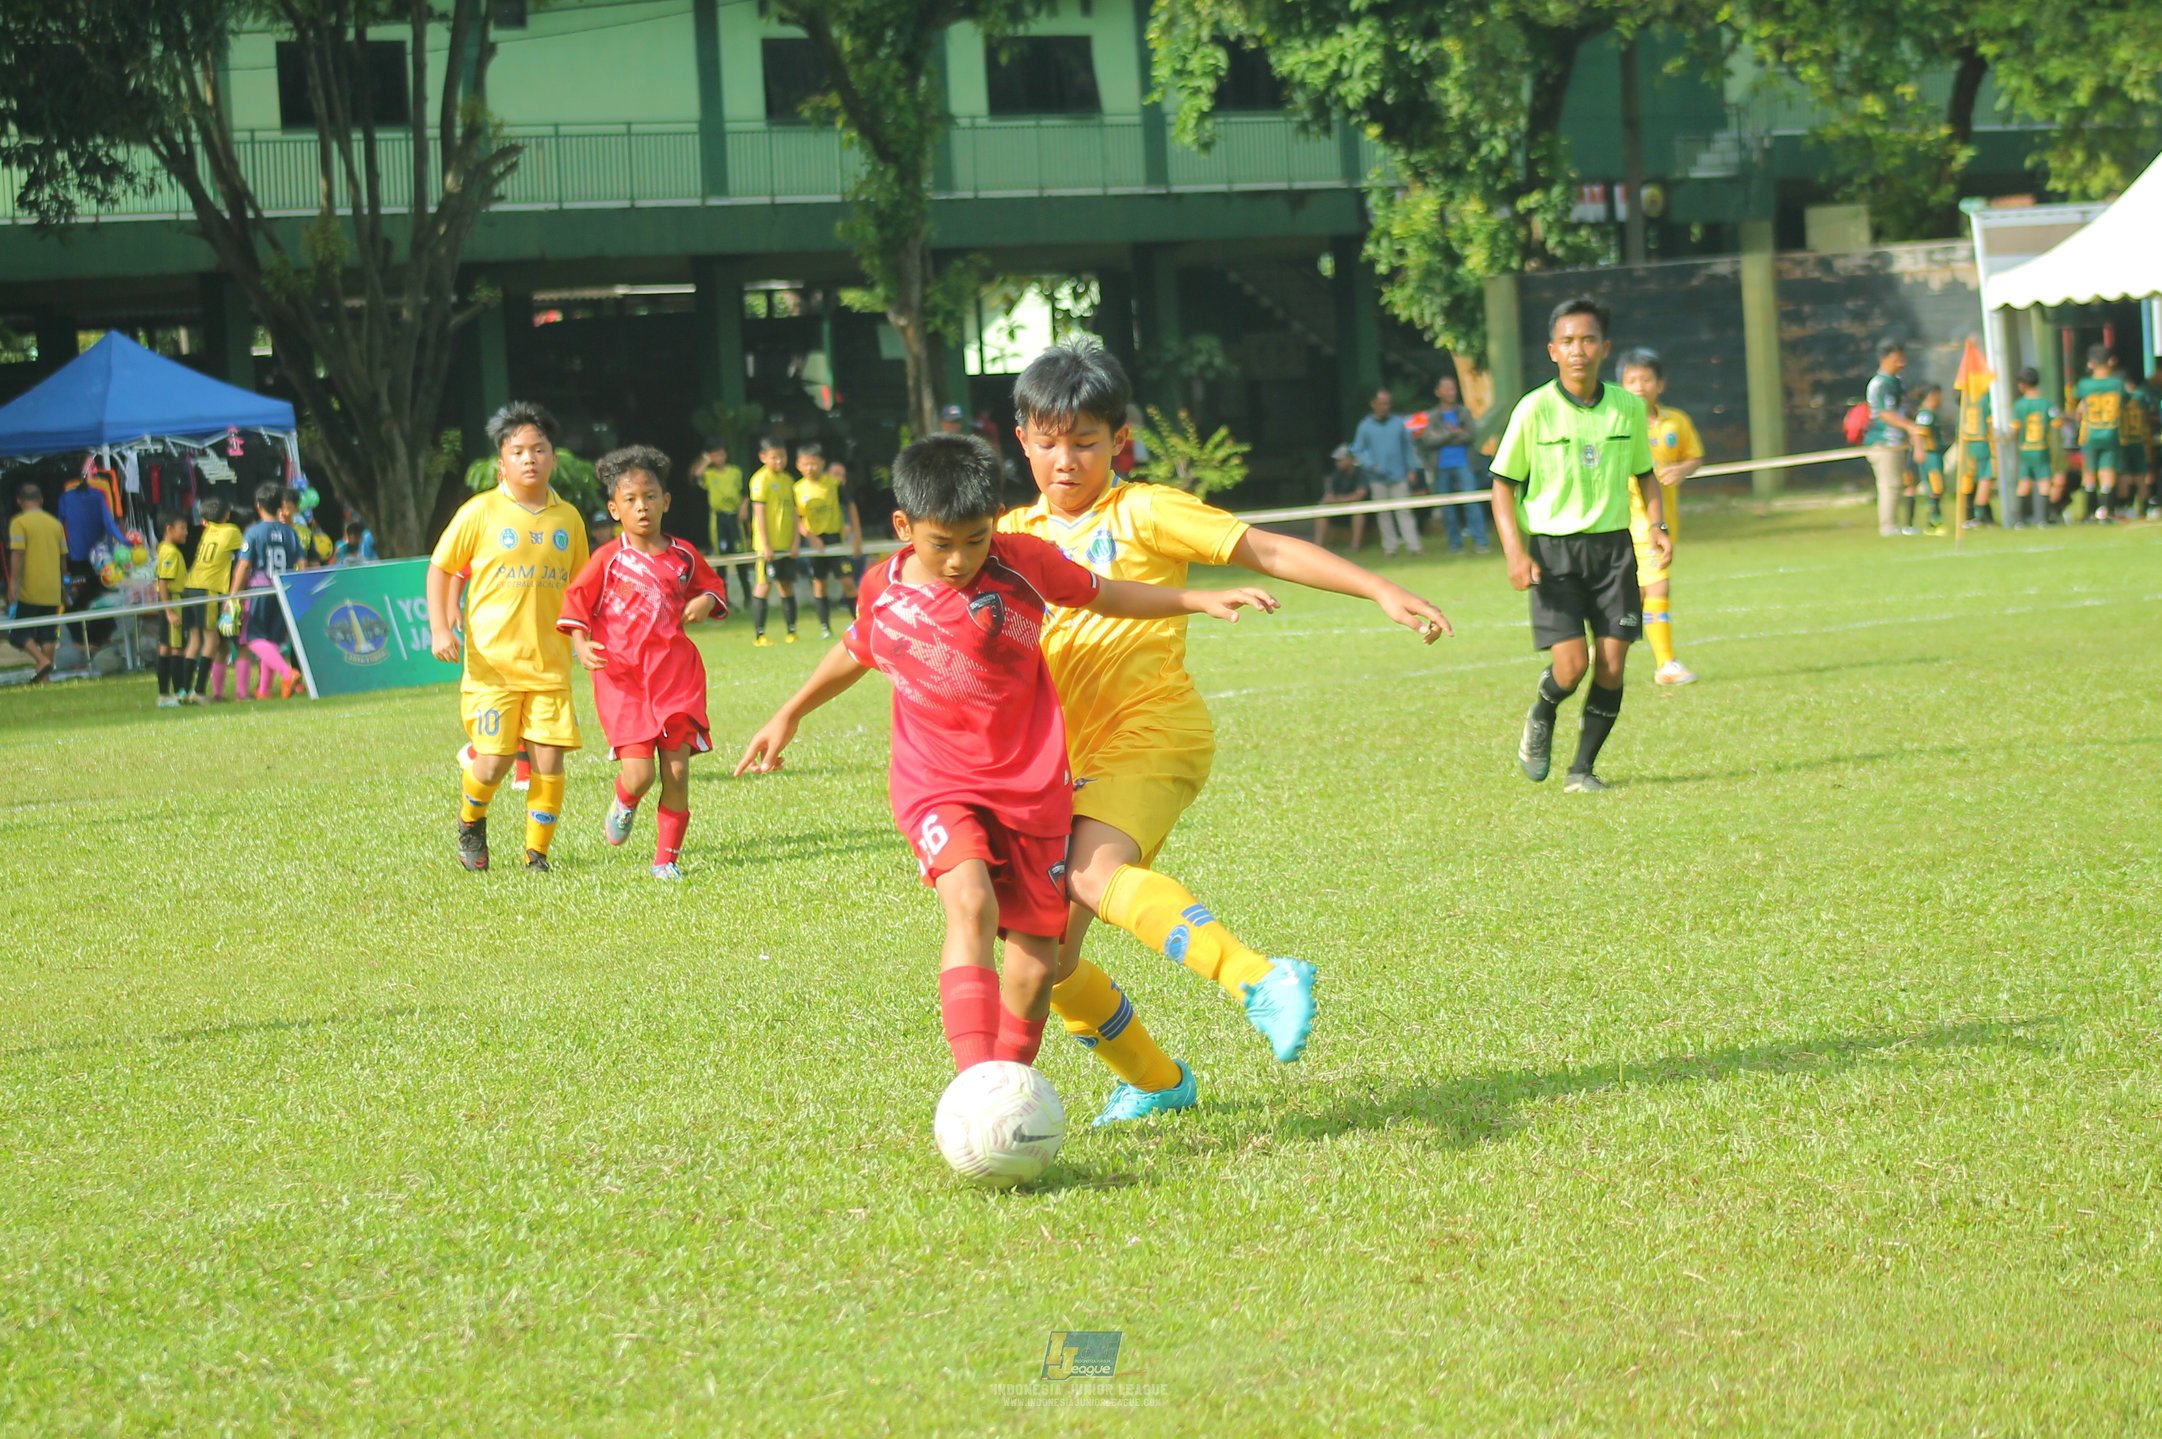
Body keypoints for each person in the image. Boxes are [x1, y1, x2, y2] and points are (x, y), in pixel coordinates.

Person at [1000, 344, 1453, 1122]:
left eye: (1084, 441)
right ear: (1022, 441)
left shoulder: (1144, 510)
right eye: (1048, 441)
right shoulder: (1008, 532)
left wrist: (1376, 585)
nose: (1065, 459)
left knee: (1089, 874)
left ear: (1119, 443)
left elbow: (1265, 548)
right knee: (1044, 962)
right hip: (1056, 763)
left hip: (1151, 734)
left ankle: (1258, 977)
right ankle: (1156, 1081)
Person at [735, 434, 1279, 1078]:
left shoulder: (1024, 562)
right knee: (969, 903)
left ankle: (1007, 1082)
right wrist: (789, 712)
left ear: (995, 523)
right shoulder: (882, 587)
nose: (961, 559)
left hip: (1032, 791)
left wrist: (1195, 598)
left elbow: (1104, 593)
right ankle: (976, 1083)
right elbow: (857, 648)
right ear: (904, 527)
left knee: (1033, 964)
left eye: (975, 539)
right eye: (942, 545)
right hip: (935, 784)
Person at [1491, 296, 1667, 795]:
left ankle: (1582, 770)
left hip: (1614, 550)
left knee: (1612, 663)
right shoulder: (1534, 409)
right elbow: (1503, 484)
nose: (1578, 350)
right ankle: (1543, 711)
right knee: (1572, 667)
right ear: (1552, 349)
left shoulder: (1628, 408)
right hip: (1553, 552)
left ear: (1604, 347)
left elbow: (1645, 475)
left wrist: (1658, 527)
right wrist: (1514, 552)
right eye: (1567, 341)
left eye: (1588, 340)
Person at [426, 400, 589, 874]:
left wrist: (584, 639)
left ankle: (536, 855)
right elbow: (441, 567)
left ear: (554, 458)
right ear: (502, 462)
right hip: (492, 667)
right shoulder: (480, 511)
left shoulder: (569, 519)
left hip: (551, 666)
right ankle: (471, 820)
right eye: (518, 451)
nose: (529, 459)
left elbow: (580, 590)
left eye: (538, 450)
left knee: (549, 762)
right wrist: (440, 625)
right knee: (494, 762)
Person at [559, 446, 729, 881]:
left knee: (676, 770)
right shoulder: (607, 559)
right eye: (631, 500)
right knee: (639, 776)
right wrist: (581, 643)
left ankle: (665, 860)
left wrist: (707, 601)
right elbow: (577, 601)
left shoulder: (683, 556)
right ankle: (625, 801)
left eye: (650, 497)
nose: (642, 507)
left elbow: (713, 586)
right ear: (615, 509)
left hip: (676, 677)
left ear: (665, 502)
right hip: (624, 682)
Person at [1616, 350, 1705, 686]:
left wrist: (1682, 469)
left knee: (1636, 595)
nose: (1640, 386)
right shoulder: (1617, 422)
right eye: (1632, 380)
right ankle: (1666, 664)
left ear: (1660, 384)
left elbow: (1694, 456)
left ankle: (1602, 652)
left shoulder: (1675, 421)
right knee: (1657, 584)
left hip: (1663, 520)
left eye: (1646, 379)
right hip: (1629, 520)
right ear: (1621, 385)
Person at [229, 481, 307, 700]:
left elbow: (244, 565)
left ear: (258, 506)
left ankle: (287, 672)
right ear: (280, 505)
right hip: (283, 587)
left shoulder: (254, 532)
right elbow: (302, 562)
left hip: (260, 588)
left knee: (253, 637)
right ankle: (263, 690)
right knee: (271, 639)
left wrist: (233, 595)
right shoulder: (291, 532)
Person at [179, 496, 245, 703]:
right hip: (209, 589)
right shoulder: (231, 531)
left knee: (195, 640)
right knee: (212, 640)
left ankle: (183, 691)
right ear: (226, 515)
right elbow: (244, 554)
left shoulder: (207, 532)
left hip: (190, 586)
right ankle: (198, 691)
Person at [792, 442, 861, 639]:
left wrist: (857, 537)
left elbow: (851, 507)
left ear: (822, 463)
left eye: (814, 463)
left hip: (835, 540)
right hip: (816, 542)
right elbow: (797, 519)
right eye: (806, 464)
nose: (810, 468)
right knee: (819, 584)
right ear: (799, 465)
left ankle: (857, 623)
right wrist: (811, 537)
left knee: (848, 582)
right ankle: (825, 627)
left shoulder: (833, 484)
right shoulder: (797, 489)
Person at [1415, 374, 1489, 556]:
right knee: (1446, 508)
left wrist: (1444, 436)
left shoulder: (1464, 412)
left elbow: (1470, 435)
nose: (1451, 392)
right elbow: (1429, 440)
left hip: (1464, 464)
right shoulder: (1432, 416)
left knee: (1472, 504)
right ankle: (1455, 545)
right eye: (1447, 388)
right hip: (1441, 467)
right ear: (1438, 392)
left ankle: (1481, 542)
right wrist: (1452, 433)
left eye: (1453, 388)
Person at [57, 472, 130, 650]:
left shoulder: (94, 497)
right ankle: (89, 639)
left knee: (94, 597)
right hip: (88, 557)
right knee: (89, 596)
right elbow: (109, 523)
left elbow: (59, 526)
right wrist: (121, 542)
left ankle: (94, 639)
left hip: (91, 558)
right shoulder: (70, 498)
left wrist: (121, 543)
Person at [1350, 387, 1425, 557]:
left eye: (1388, 404)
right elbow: (1358, 450)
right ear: (1373, 404)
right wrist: (1371, 465)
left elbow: (1407, 448)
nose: (1385, 407)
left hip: (1399, 475)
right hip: (1377, 478)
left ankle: (1414, 545)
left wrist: (1411, 468)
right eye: (1382, 403)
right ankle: (1390, 548)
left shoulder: (1398, 423)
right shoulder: (1365, 426)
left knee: (1404, 510)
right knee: (1383, 514)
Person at [7, 481, 66, 683]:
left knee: (18, 633)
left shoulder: (19, 522)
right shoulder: (55, 523)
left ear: (19, 502)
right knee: (48, 634)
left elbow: (18, 553)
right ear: (41, 501)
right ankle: (45, 678)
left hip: (31, 588)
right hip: (52, 587)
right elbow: (63, 557)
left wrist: (12, 583)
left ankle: (41, 661)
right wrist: (63, 584)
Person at [1863, 341, 1921, 537]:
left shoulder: (1895, 382)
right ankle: (1888, 527)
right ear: (1884, 359)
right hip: (1884, 442)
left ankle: (1897, 524)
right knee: (1889, 484)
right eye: (1897, 360)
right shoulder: (1880, 384)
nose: (1901, 363)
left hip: (1897, 442)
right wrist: (1909, 426)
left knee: (1898, 483)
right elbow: (1884, 413)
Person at [746, 437, 799, 646]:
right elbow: (758, 513)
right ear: (763, 457)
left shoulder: (788, 480)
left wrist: (795, 541)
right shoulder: (760, 480)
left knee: (786, 586)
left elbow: (794, 513)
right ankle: (760, 634)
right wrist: (765, 544)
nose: (779, 461)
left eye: (782, 456)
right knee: (763, 585)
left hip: (787, 543)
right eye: (774, 457)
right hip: (767, 546)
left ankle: (792, 631)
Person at [2073, 345, 2130, 523]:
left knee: (2089, 472)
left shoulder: (2084, 384)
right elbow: (2125, 402)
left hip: (2090, 433)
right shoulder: (2117, 383)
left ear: (2091, 364)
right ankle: (2105, 511)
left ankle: (2090, 511)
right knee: (2107, 471)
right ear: (2111, 361)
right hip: (2111, 432)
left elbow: (2079, 407)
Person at [695, 443, 749, 607]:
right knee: (722, 559)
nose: (719, 458)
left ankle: (747, 596)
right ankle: (724, 599)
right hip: (719, 518)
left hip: (734, 516)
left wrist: (743, 508)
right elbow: (697, 474)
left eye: (721, 454)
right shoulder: (709, 474)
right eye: (715, 455)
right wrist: (706, 460)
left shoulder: (735, 472)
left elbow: (746, 492)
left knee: (741, 557)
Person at [2009, 368, 2057, 529]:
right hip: (2041, 448)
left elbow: (2015, 428)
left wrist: (2007, 438)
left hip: (2025, 449)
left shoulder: (2019, 405)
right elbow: (2057, 423)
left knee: (2024, 483)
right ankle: (2042, 518)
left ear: (2022, 385)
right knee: (2044, 482)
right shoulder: (2046, 403)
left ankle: (2019, 520)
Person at [153, 510, 192, 706]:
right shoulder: (169, 552)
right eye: (182, 528)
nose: (186, 532)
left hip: (173, 601)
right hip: (173, 602)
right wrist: (169, 611)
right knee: (176, 648)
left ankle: (167, 694)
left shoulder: (166, 549)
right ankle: (178, 692)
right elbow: (163, 582)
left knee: (168, 647)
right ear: (169, 529)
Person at [1905, 383, 1948, 536]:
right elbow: (1918, 434)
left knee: (1937, 488)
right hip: (1930, 455)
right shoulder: (1925, 414)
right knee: (1935, 488)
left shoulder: (1930, 414)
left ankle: (1934, 521)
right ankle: (1933, 522)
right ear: (1932, 396)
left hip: (1935, 454)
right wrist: (1919, 450)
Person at [1954, 384, 1997, 528]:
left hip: (1968, 442)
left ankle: (1968, 514)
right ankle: (1981, 515)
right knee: (1986, 477)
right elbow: (1990, 421)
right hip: (1983, 441)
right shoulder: (1985, 398)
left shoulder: (1966, 398)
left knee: (1968, 478)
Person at [1315, 444, 1372, 550]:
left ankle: (1355, 546)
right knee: (1321, 510)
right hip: (1341, 507)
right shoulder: (1336, 474)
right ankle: (1319, 547)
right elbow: (1328, 496)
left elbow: (1359, 495)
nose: (1337, 463)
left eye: (1340, 460)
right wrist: (1337, 500)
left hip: (1364, 511)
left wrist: (1340, 500)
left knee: (1357, 511)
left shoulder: (1360, 473)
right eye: (1336, 460)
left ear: (1350, 459)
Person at [2118, 371, 2153, 520]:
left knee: (2124, 476)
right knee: (2141, 476)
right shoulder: (2141, 398)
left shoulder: (2120, 399)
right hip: (2140, 441)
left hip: (2124, 442)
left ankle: (2124, 507)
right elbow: (2149, 415)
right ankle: (2144, 508)